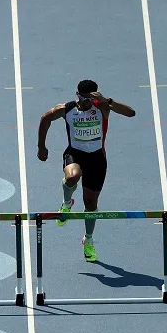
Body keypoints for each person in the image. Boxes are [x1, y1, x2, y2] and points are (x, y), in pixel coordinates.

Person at [36, 80, 136, 263]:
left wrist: (107, 100)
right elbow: (45, 119)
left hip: (97, 159)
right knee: (72, 177)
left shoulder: (102, 107)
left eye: (92, 98)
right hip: (75, 154)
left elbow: (131, 113)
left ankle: (88, 240)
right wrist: (41, 147)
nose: (89, 102)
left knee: (90, 204)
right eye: (85, 98)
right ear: (78, 95)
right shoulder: (67, 109)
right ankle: (66, 203)